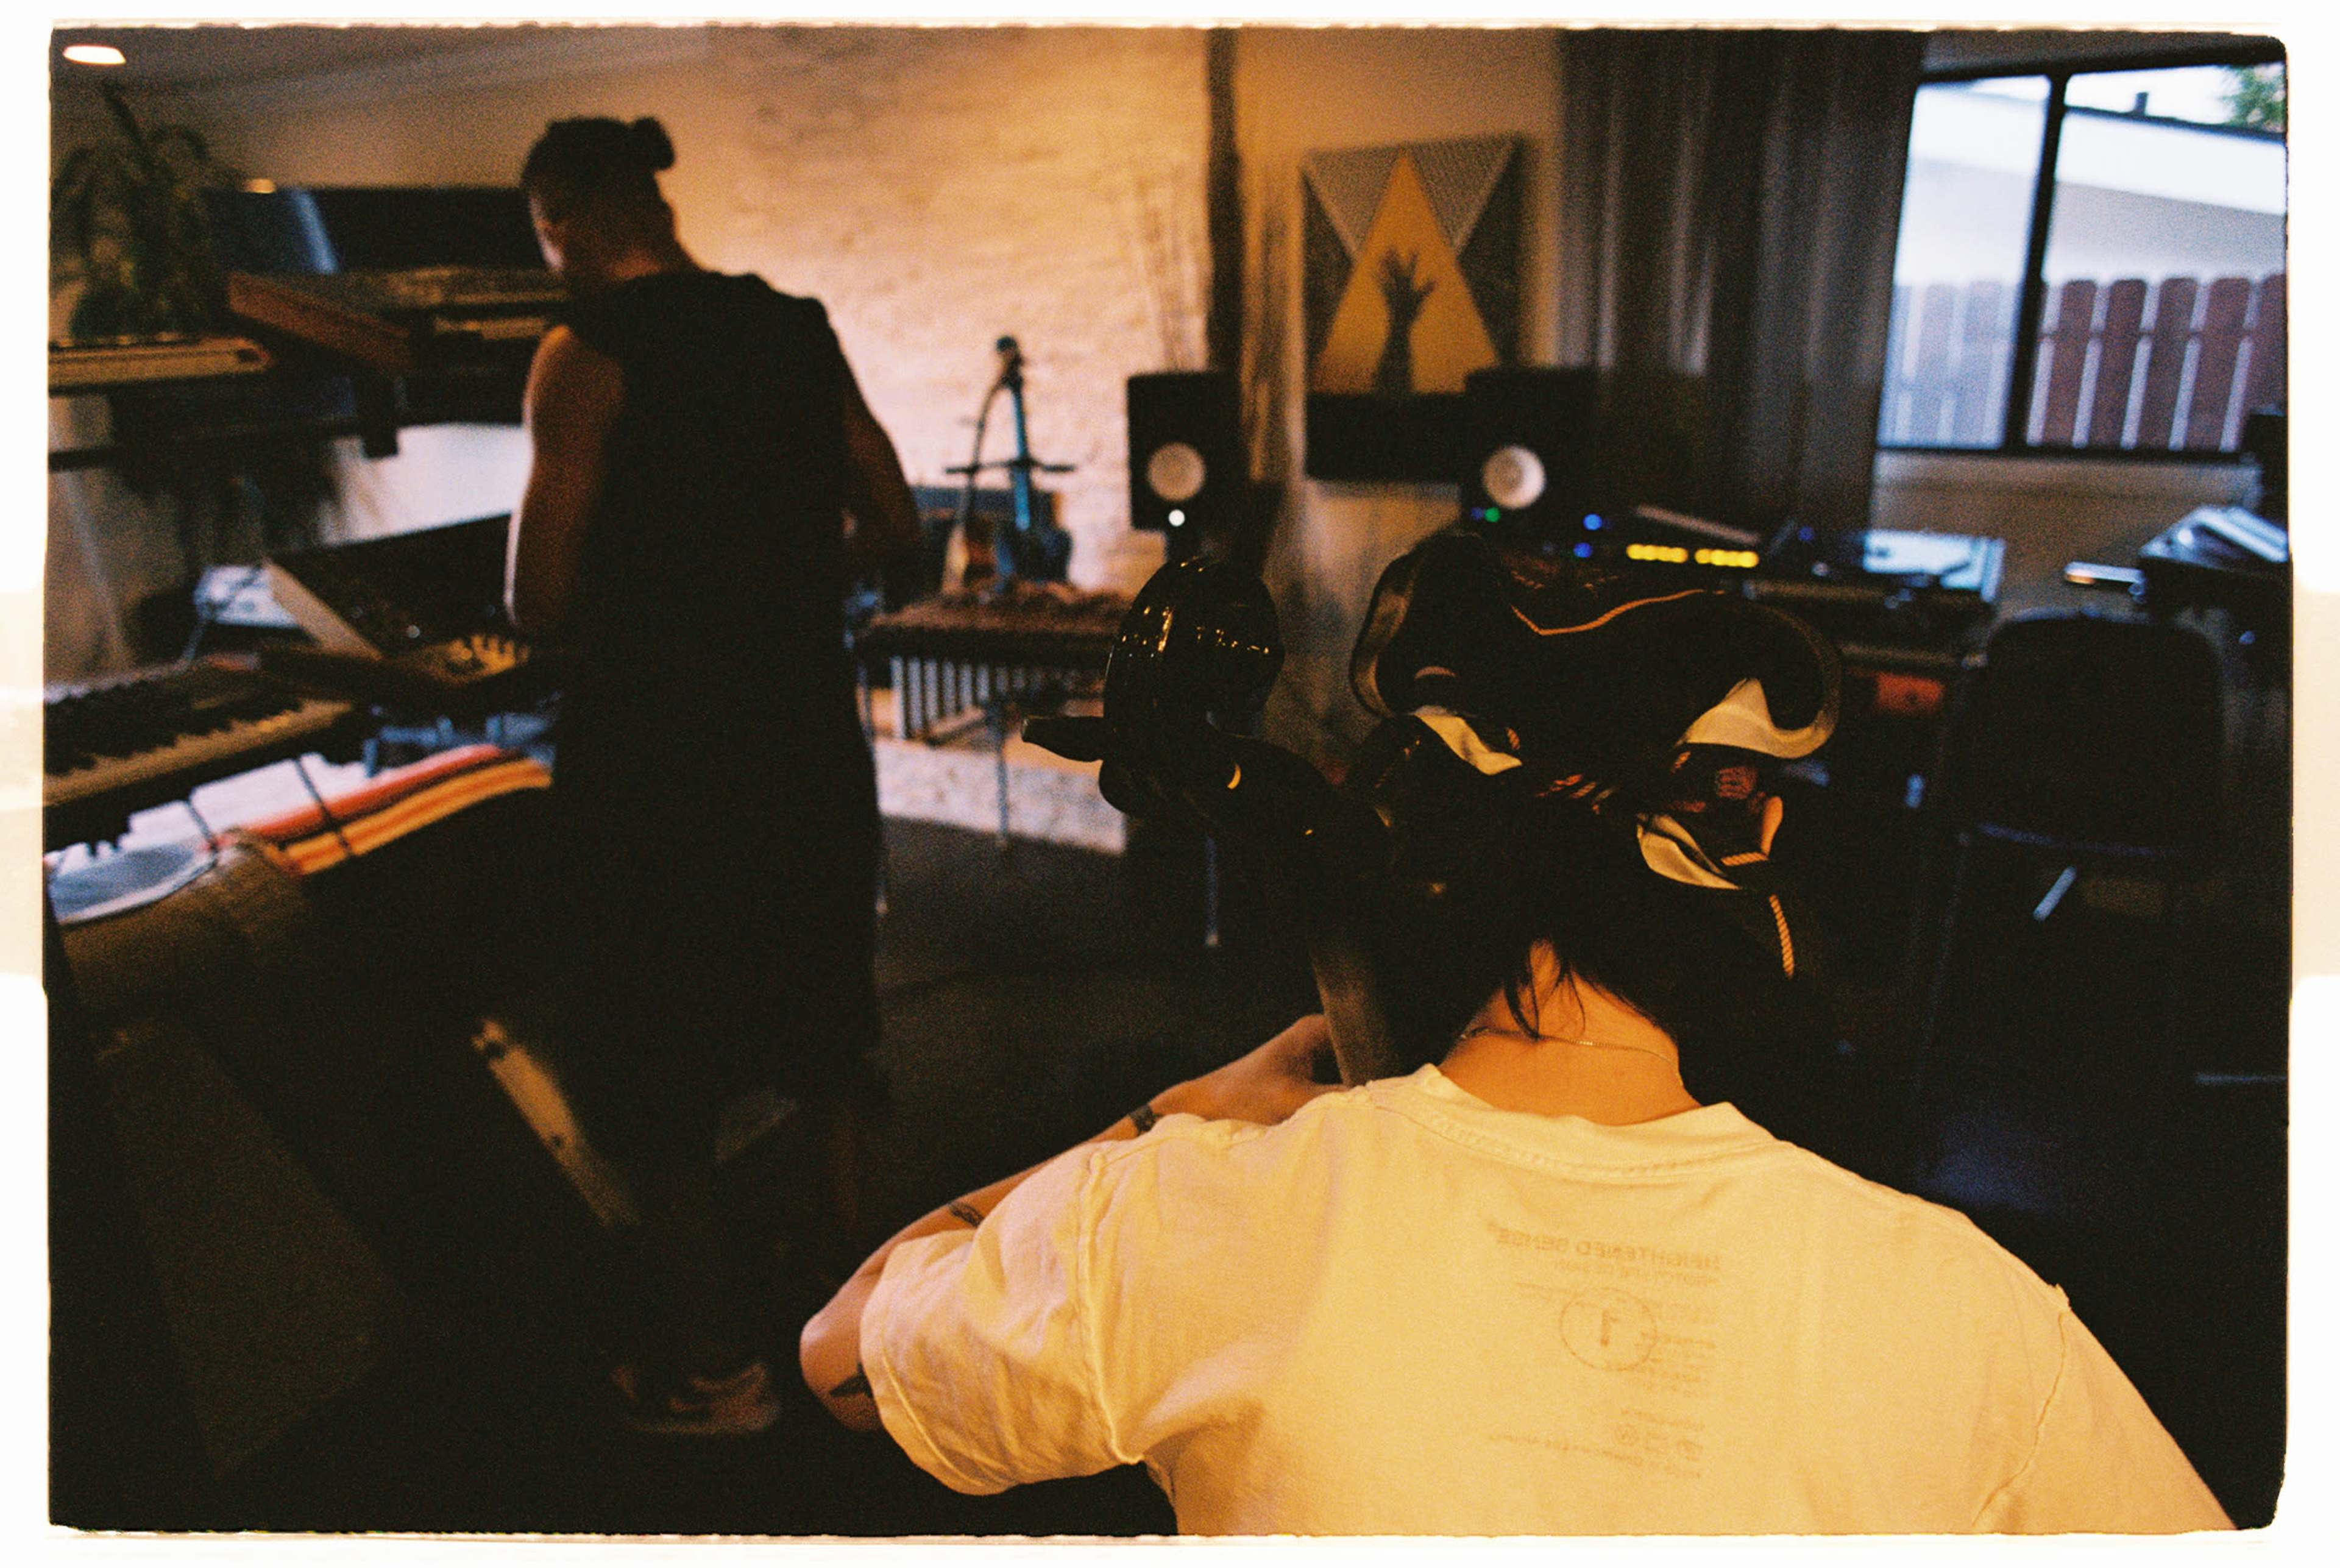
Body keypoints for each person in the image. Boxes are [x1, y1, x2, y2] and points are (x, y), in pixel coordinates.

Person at [797, 538, 2233, 1532]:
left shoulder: (1188, 1218)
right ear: (1756, 855)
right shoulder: (1969, 1320)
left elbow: (844, 1352)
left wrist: (1182, 1114)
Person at [508, 115, 921, 1435]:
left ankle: (713, 1371)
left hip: (660, 757)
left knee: (651, 1044)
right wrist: (780, 584)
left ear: (563, 213)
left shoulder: (586, 352)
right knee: (820, 1002)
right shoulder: (793, 325)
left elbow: (536, 596)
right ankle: (857, 1328)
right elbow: (895, 518)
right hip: (802, 729)